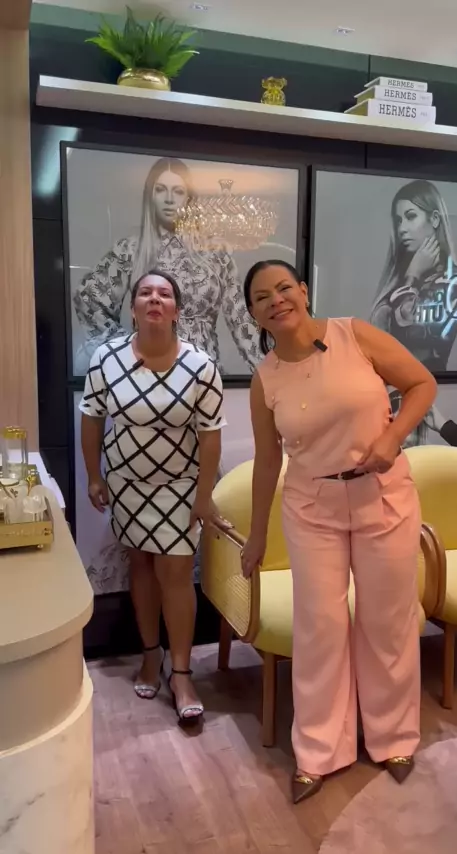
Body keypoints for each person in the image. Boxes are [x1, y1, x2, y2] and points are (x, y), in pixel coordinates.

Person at [240, 260, 437, 804]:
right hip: (312, 508)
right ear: (254, 314)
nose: (276, 300)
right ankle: (319, 750)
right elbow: (266, 462)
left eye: (284, 288)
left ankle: (393, 737)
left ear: (304, 291)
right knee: (320, 627)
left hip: (383, 496)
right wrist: (256, 535)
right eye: (262, 297)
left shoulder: (356, 335)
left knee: (387, 620)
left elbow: (421, 383)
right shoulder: (265, 380)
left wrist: (393, 438)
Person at [79, 269, 226, 723]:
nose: (155, 299)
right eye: (145, 293)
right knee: (140, 565)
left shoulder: (200, 366)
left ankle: (181, 673)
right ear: (133, 308)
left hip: (180, 487)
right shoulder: (106, 358)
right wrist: (94, 476)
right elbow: (92, 418)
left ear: (177, 310)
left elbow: (211, 436)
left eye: (164, 294)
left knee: (176, 573)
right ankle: (150, 655)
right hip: (126, 484)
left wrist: (204, 496)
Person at [73, 157, 260, 375]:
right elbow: (89, 299)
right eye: (161, 190)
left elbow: (242, 321)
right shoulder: (132, 249)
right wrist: (125, 349)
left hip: (203, 375)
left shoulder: (214, 253)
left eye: (178, 191)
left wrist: (270, 374)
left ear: (189, 197)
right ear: (150, 195)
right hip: (146, 374)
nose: (170, 199)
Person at [370, 179, 457, 372]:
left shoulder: (455, 282)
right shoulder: (396, 277)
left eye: (410, 217)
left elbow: (408, 333)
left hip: (431, 384)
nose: (402, 229)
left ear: (434, 219)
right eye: (398, 220)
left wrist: (413, 275)